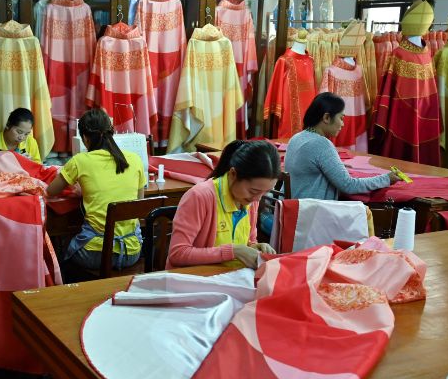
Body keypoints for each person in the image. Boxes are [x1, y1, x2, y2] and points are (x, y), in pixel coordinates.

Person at [47, 108, 145, 270]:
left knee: (60, 250)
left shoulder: (80, 161)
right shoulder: (134, 159)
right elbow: (138, 202)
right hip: (131, 252)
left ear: (85, 138)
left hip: (95, 254)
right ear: (111, 132)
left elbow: (51, 190)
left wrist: (83, 189)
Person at [167, 140, 281, 270]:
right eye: (253, 191)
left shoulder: (250, 200)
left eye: (265, 192)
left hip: (231, 277)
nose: (257, 198)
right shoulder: (200, 196)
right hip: (197, 279)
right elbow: (177, 254)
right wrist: (234, 251)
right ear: (233, 174)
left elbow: (248, 240)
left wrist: (254, 247)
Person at [284, 92, 401, 201]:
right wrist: (386, 179)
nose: (342, 124)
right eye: (341, 118)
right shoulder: (322, 144)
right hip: (314, 214)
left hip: (296, 209)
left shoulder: (296, 138)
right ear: (326, 118)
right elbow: (348, 185)